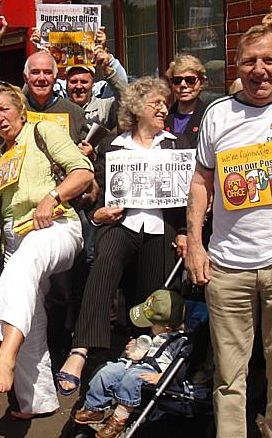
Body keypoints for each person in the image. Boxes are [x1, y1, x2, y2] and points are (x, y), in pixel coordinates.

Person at [186, 24, 272, 438]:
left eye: (269, 60)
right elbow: (200, 181)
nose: (259, 70)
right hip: (227, 265)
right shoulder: (218, 113)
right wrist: (194, 242)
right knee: (229, 377)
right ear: (237, 67)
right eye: (249, 61)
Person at [57, 77, 189, 395]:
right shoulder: (112, 146)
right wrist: (95, 215)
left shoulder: (178, 144)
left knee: (151, 296)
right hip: (121, 225)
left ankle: (134, 363)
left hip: (161, 229)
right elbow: (95, 196)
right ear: (136, 108)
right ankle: (81, 349)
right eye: (156, 102)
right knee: (106, 257)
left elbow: (191, 198)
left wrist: (185, 232)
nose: (163, 108)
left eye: (165, 103)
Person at [0, 82, 94, 418]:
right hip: (15, 239)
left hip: (55, 227)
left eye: (5, 108)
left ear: (20, 108)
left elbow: (83, 172)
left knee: (25, 263)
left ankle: (4, 356)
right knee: (30, 313)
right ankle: (37, 401)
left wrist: (52, 197)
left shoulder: (42, 130)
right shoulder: (1, 154)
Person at [73, 290, 187, 438]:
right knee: (106, 371)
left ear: (166, 328)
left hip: (153, 370)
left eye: (151, 324)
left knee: (132, 378)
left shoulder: (180, 342)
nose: (148, 327)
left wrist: (163, 377)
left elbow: (181, 364)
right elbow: (142, 350)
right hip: (134, 363)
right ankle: (94, 408)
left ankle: (119, 419)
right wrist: (134, 348)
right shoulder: (155, 334)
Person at [0, 15, 89, 145]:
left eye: (47, 72)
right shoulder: (14, 105)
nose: (41, 78)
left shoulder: (74, 112)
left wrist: (90, 152)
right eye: (35, 72)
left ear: (55, 78)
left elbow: (89, 152)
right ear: (25, 77)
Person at [164, 54, 209, 146]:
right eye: (177, 80)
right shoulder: (164, 117)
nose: (183, 85)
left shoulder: (209, 116)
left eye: (190, 80)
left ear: (201, 83)